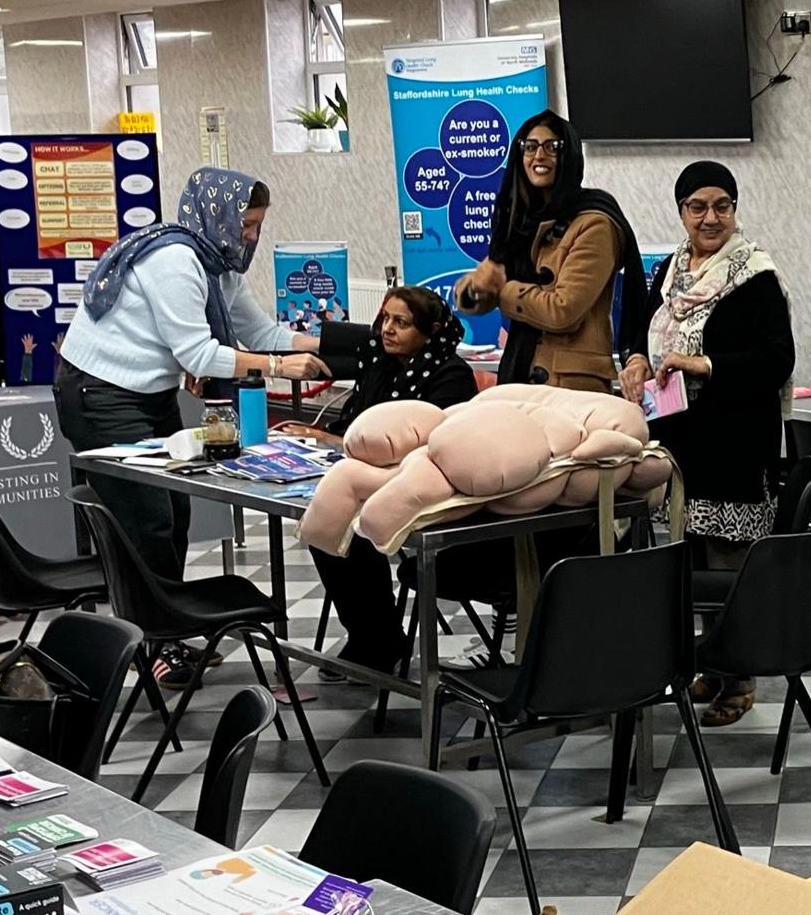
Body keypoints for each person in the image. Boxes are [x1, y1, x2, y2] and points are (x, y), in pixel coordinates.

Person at [59, 168, 326, 680]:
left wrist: (338, 345)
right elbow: (198, 353)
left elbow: (262, 330)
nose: (250, 237)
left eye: (257, 227)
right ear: (218, 216)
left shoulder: (218, 264)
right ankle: (151, 646)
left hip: (146, 393)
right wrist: (274, 368)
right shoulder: (176, 261)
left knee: (173, 512)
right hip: (101, 394)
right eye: (246, 225)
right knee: (146, 520)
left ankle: (165, 633)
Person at [640, 161, 796, 724]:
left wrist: (704, 364)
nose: (711, 218)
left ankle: (739, 681)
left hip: (734, 442)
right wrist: (638, 358)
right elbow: (644, 331)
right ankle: (712, 663)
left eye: (722, 206)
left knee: (730, 565)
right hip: (680, 439)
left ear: (735, 209)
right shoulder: (670, 271)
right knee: (693, 557)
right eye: (697, 207)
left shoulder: (754, 275)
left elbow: (778, 358)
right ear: (681, 211)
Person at [282, 285, 477, 675]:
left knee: (349, 524)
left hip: (432, 485)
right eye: (385, 319)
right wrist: (320, 439)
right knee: (329, 523)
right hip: (372, 479)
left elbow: (433, 448)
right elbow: (356, 427)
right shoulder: (378, 361)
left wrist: (331, 441)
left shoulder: (451, 375)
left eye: (401, 323)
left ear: (431, 330)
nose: (387, 329)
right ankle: (373, 634)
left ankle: (378, 639)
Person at [456, 111, 654, 395]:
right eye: (531, 146)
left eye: (552, 147)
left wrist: (501, 290)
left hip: (570, 384)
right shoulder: (518, 219)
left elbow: (563, 310)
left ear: (569, 155)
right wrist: (477, 288)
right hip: (519, 368)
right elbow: (486, 290)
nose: (539, 156)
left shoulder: (595, 223)